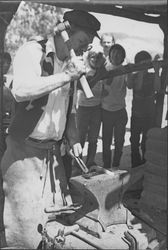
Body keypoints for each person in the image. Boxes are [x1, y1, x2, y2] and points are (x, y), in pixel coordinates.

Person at [0, 10, 100, 248]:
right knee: (21, 222)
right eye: (81, 43)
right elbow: (21, 90)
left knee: (48, 219)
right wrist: (65, 76)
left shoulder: (71, 64)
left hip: (52, 156)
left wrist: (73, 139)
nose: (83, 50)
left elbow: (69, 110)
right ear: (64, 32)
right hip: (24, 153)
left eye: (87, 46)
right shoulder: (33, 51)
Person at [127, 50, 161, 168]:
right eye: (142, 64)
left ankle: (145, 165)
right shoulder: (135, 76)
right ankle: (135, 165)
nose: (145, 67)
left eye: (147, 64)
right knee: (134, 141)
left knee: (146, 142)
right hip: (136, 114)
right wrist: (139, 72)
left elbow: (157, 88)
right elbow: (136, 87)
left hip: (149, 114)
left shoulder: (152, 76)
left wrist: (156, 71)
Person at [76, 49, 105, 169]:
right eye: (93, 57)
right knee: (81, 136)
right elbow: (85, 87)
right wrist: (98, 76)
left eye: (98, 58)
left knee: (94, 137)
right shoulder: (86, 71)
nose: (95, 60)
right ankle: (77, 162)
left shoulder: (102, 72)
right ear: (88, 58)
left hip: (96, 107)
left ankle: (90, 161)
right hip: (83, 107)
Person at [101, 44, 128, 170]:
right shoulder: (105, 68)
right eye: (114, 53)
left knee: (119, 140)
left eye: (119, 54)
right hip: (106, 110)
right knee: (106, 141)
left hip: (120, 110)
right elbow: (106, 84)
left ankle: (116, 165)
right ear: (110, 55)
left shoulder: (126, 69)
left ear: (123, 57)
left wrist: (130, 71)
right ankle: (106, 166)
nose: (116, 56)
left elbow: (131, 85)